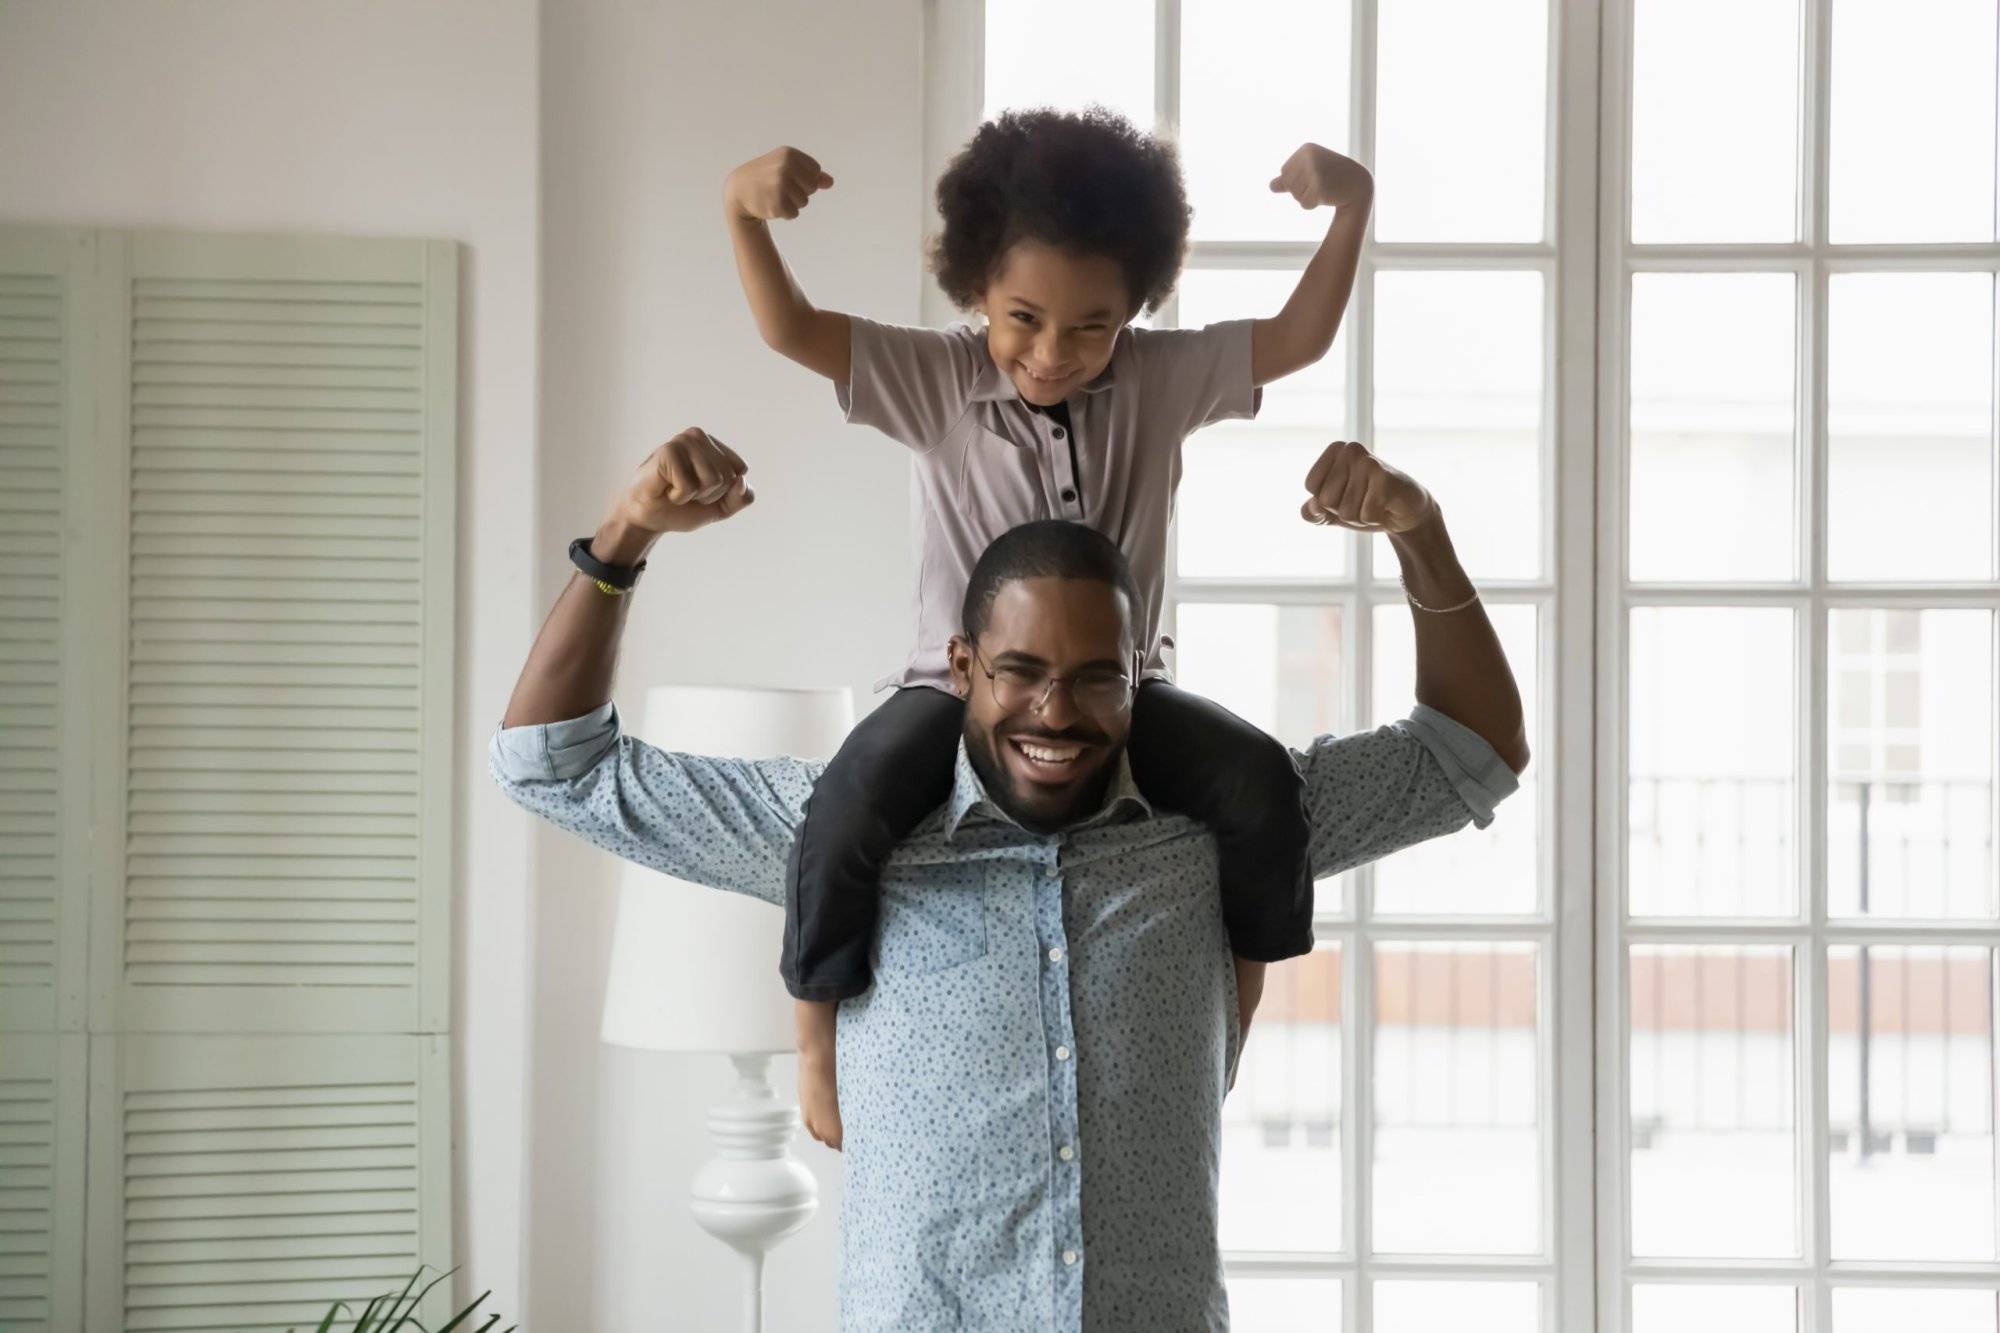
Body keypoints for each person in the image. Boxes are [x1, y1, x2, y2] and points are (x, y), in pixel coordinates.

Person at [491, 427, 1528, 1330]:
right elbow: (552, 763)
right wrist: (624, 538)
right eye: (1020, 671)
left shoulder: (1219, 832)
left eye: (1093, 678)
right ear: (959, 667)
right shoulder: (837, 834)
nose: (1054, 712)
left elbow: (1473, 750)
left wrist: (1418, 526)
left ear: (1138, 678)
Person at [722, 107, 1377, 1148]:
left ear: (1134, 310)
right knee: (843, 806)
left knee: (1258, 787)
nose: (1053, 352)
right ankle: (811, 1037)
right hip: (955, 696)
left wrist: (1350, 210)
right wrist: (742, 216)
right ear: (975, 286)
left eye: (1091, 326)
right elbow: (791, 329)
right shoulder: (936, 380)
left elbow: (1295, 338)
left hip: (1127, 696)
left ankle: (1234, 1016)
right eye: (1022, 318)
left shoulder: (1160, 381)